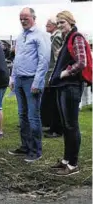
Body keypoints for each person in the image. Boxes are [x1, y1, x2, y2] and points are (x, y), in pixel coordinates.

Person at [8, 8, 51, 162]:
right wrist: (12, 78)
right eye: (21, 18)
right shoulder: (20, 37)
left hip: (32, 80)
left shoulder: (41, 35)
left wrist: (38, 81)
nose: (23, 20)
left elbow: (44, 60)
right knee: (22, 115)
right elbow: (17, 59)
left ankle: (36, 150)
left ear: (33, 17)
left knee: (33, 117)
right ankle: (25, 146)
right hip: (19, 79)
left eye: (26, 17)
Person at [49, 11, 87, 176]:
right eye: (58, 23)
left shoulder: (76, 37)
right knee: (66, 125)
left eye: (62, 22)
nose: (59, 26)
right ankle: (66, 160)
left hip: (71, 86)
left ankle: (73, 164)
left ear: (71, 22)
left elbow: (82, 62)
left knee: (71, 125)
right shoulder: (67, 38)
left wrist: (65, 73)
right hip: (64, 86)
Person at [41, 17, 63, 138]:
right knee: (52, 102)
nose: (46, 26)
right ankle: (52, 127)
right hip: (53, 73)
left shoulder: (56, 37)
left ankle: (56, 129)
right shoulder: (55, 36)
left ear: (54, 25)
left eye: (48, 24)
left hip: (53, 74)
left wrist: (52, 77)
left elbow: (56, 59)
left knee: (54, 102)